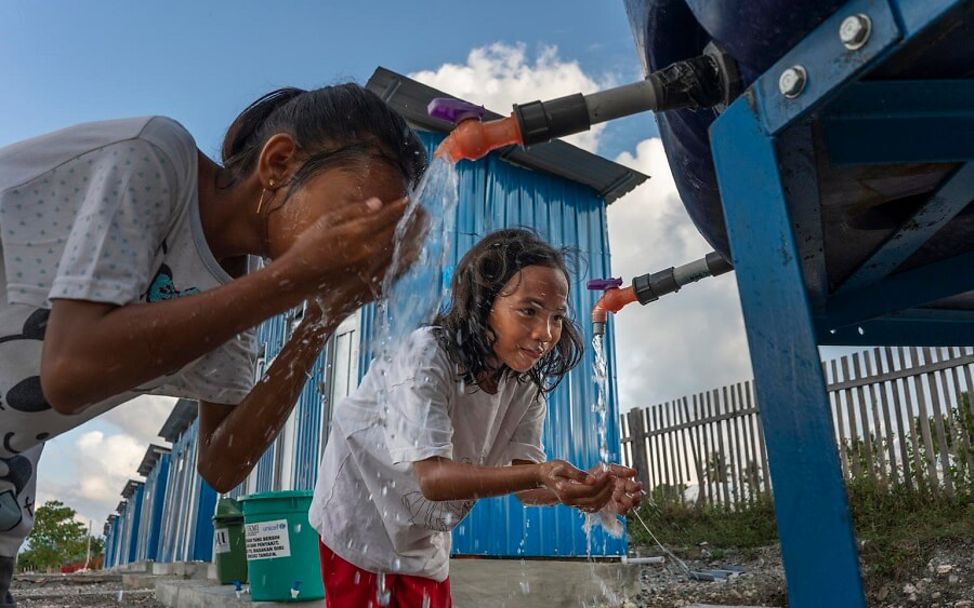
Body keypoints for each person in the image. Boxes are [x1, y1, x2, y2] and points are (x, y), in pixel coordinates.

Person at [0, 84, 427, 606]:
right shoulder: (153, 156)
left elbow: (222, 465)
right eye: (357, 214)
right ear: (279, 162)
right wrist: (288, 283)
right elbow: (68, 372)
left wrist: (321, 318)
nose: (362, 244)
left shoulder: (237, 293)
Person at [309, 228, 643, 607]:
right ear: (485, 304)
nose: (545, 333)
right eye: (529, 310)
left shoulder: (525, 387)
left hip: (423, 533)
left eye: (556, 317)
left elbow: (526, 485)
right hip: (361, 510)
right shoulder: (427, 355)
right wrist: (541, 473)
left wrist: (587, 488)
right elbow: (434, 479)